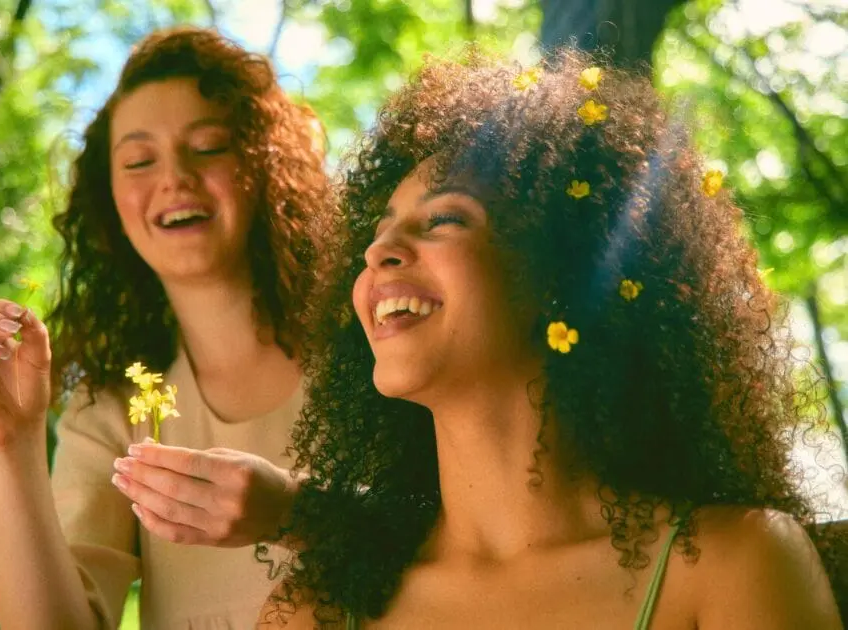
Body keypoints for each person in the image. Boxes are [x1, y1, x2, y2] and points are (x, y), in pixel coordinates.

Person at [257, 50, 845, 628]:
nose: (377, 251)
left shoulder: (737, 565)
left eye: (444, 219)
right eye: (380, 230)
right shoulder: (314, 610)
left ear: (559, 273)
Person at [0, 26, 329, 629]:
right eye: (139, 160)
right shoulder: (111, 409)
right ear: (108, 202)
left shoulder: (370, 345)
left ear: (266, 164)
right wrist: (7, 442)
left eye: (209, 146)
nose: (174, 178)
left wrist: (297, 515)